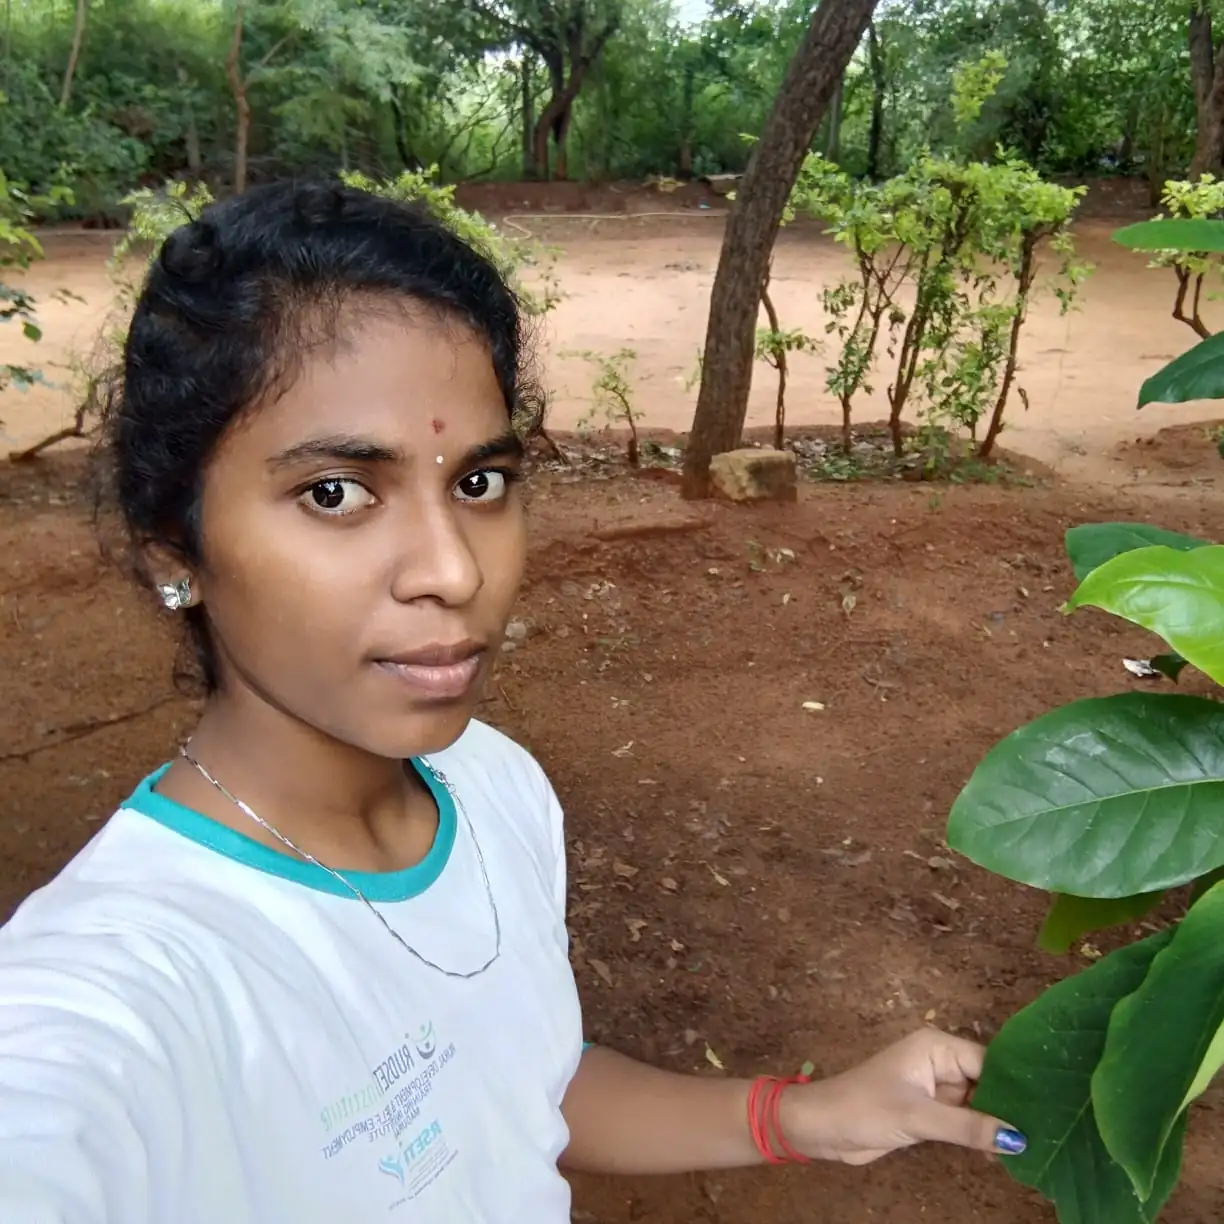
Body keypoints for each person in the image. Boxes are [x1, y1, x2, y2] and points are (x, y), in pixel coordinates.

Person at [0, 181, 1026, 1222]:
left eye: (480, 485)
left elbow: (517, 1084)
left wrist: (798, 1116)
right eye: (336, 493)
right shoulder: (116, 993)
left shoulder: (494, 787)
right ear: (178, 552)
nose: (452, 569)